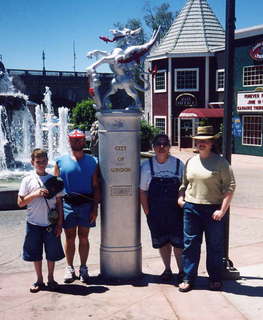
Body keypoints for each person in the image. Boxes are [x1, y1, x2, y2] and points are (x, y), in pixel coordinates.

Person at [178, 126, 236, 292]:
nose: (201, 143)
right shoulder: (190, 161)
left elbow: (230, 187)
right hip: (191, 209)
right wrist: (181, 198)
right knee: (190, 245)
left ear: (212, 143)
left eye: (205, 141)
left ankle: (215, 279)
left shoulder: (221, 162)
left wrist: (222, 210)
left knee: (215, 246)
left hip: (213, 210)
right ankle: (188, 278)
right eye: (199, 141)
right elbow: (184, 184)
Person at [54, 129, 100, 283]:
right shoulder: (60, 162)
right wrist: (58, 212)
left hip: (86, 204)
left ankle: (84, 267)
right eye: (74, 140)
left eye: (79, 139)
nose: (77, 142)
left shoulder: (93, 161)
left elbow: (96, 186)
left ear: (84, 141)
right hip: (68, 204)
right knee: (69, 237)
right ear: (69, 141)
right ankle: (69, 267)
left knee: (84, 237)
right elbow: (56, 188)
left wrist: (95, 208)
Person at [17, 149, 65, 293]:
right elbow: (20, 202)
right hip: (33, 224)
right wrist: (35, 194)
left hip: (50, 223)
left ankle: (51, 278)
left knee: (52, 253)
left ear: (47, 161)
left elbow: (59, 204)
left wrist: (60, 223)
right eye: (38, 162)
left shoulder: (54, 180)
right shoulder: (27, 179)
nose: (41, 164)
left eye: (44, 161)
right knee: (35, 253)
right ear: (32, 162)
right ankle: (39, 280)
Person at [140, 134, 185, 281]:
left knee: (178, 242)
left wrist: (181, 198)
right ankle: (167, 269)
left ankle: (182, 271)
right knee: (162, 242)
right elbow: (142, 191)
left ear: (169, 146)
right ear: (153, 147)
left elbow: (184, 187)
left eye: (165, 144)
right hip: (156, 211)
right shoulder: (146, 166)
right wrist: (147, 211)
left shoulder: (179, 164)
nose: (161, 147)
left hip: (176, 211)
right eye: (158, 144)